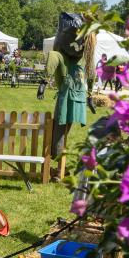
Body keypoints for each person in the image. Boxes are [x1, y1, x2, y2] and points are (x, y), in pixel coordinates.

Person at [44, 12, 96, 163]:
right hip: (66, 96)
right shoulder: (61, 57)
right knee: (60, 127)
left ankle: (58, 161)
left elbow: (91, 70)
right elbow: (54, 56)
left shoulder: (81, 62)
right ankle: (57, 160)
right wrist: (43, 81)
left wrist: (90, 95)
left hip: (78, 98)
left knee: (65, 129)